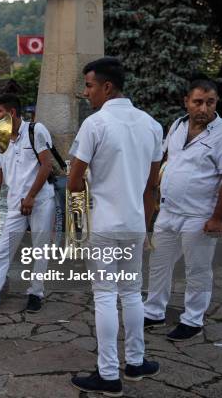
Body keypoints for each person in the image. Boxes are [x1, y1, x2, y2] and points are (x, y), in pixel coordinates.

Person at [68, 57, 162, 396]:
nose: (86, 92)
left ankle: (108, 374)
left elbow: (74, 181)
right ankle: (136, 362)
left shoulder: (95, 124)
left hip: (105, 223)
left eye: (90, 85)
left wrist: (80, 221)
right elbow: (152, 187)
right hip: (135, 222)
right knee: (132, 293)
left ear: (107, 87)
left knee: (105, 295)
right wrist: (147, 226)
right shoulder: (152, 124)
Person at [144, 79, 222, 342]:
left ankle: (193, 319)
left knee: (197, 270)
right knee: (158, 264)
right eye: (198, 102)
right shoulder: (177, 125)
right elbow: (167, 161)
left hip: (200, 216)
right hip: (168, 212)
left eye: (210, 102)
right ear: (186, 101)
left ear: (216, 103)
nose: (204, 108)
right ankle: (154, 312)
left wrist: (218, 218)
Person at [0, 93, 56, 314]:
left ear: (12, 113)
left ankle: (36, 292)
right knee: (4, 249)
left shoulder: (36, 130)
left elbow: (46, 166)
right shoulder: (0, 139)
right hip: (16, 204)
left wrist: (32, 196)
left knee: (40, 249)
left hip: (41, 200)